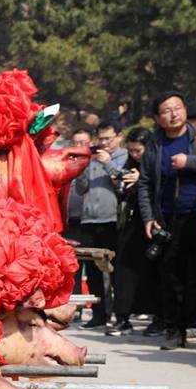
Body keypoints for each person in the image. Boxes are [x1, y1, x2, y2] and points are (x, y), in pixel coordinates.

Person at [136, 92, 196, 351]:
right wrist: (149, 217)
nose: (174, 113)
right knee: (172, 277)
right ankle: (174, 330)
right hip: (168, 219)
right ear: (157, 118)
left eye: (178, 108)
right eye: (166, 110)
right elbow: (144, 183)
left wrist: (190, 162)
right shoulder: (155, 144)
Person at [71, 122, 127, 328]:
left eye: (108, 138)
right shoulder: (93, 158)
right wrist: (84, 164)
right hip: (89, 220)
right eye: (101, 139)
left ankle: (120, 316)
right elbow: (80, 188)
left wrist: (108, 163)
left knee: (114, 271)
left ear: (118, 136)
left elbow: (123, 185)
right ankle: (98, 315)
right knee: (93, 271)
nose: (104, 143)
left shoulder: (123, 157)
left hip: (112, 220)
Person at [110, 127, 157, 335]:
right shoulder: (129, 166)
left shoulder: (156, 165)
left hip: (153, 223)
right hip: (130, 223)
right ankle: (122, 317)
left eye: (139, 151)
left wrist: (142, 181)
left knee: (154, 273)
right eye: (132, 151)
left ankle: (159, 317)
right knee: (125, 270)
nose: (135, 155)